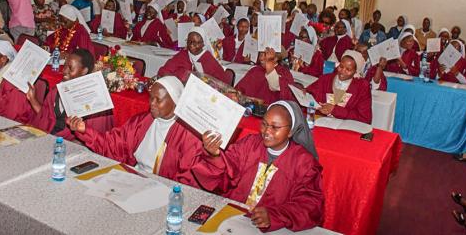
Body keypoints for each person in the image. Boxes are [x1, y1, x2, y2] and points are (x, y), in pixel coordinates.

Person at [192, 101, 323, 232]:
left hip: (272, 228)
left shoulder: (304, 162)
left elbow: (310, 204)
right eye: (264, 124)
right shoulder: (250, 144)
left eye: (275, 127)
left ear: (291, 131)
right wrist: (215, 156)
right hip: (232, 217)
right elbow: (228, 171)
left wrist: (275, 215)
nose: (267, 131)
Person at [67, 76, 203, 187]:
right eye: (151, 97)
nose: (152, 103)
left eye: (158, 100)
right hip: (133, 178)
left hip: (162, 189)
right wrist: (85, 130)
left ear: (176, 102)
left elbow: (187, 181)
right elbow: (114, 145)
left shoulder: (188, 135)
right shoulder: (142, 121)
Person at [25, 49, 113, 140]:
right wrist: (32, 99)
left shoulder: (95, 99)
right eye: (64, 65)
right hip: (50, 137)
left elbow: (95, 137)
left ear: (84, 71)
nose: (64, 71)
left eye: (70, 68)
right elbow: (46, 118)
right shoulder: (56, 91)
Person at [306, 50, 372, 124]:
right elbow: (308, 94)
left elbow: (365, 119)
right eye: (341, 66)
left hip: (346, 127)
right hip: (322, 123)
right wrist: (303, 92)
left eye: (348, 69)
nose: (342, 71)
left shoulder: (362, 88)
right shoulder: (325, 79)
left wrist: (335, 110)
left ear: (355, 72)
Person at [158, 27, 226, 83]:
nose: (191, 45)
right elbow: (164, 70)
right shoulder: (183, 54)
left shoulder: (209, 60)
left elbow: (221, 83)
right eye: (189, 41)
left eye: (196, 42)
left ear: (203, 44)